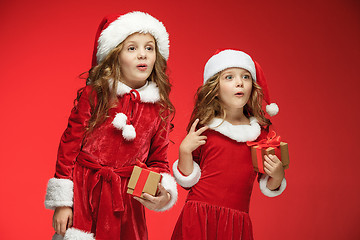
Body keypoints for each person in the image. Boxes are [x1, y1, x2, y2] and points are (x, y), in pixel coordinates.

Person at [44, 11, 178, 240]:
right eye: (132, 48)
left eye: (149, 47)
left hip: (126, 204)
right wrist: (63, 203)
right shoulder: (95, 95)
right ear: (115, 56)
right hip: (85, 194)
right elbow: (68, 148)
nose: (142, 55)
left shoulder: (160, 108)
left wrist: (162, 192)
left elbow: (158, 161)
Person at [171, 49, 287, 240]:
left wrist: (277, 175)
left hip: (236, 222)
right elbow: (187, 180)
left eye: (245, 76)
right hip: (199, 217)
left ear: (252, 86)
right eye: (229, 77)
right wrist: (184, 151)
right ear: (214, 89)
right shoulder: (204, 125)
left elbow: (267, 182)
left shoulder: (260, 132)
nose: (239, 82)